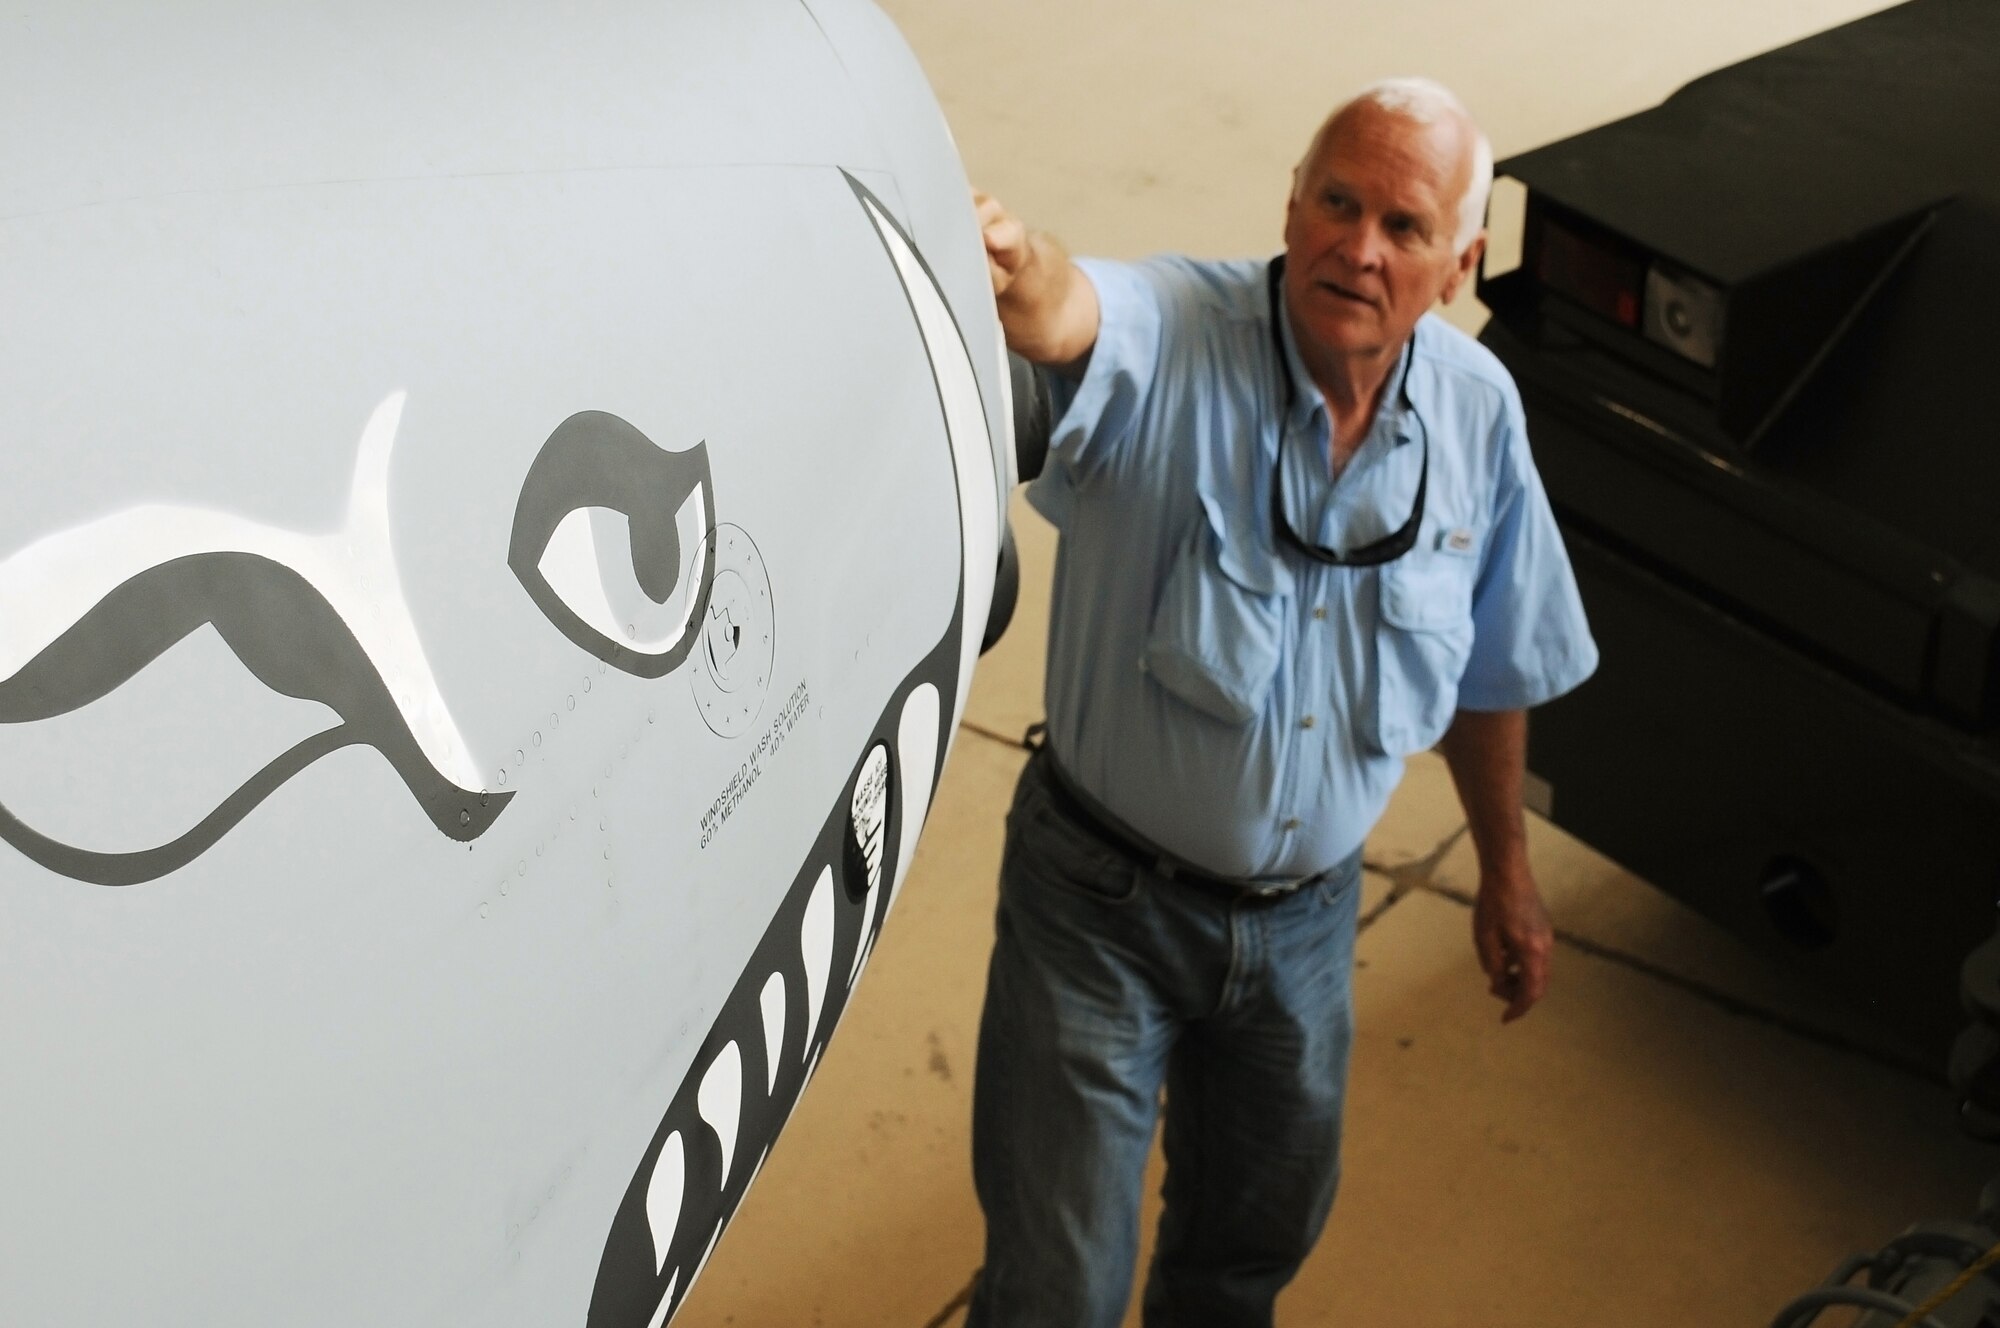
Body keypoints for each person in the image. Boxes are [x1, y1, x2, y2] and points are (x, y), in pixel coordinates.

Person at [966, 77, 1599, 1328]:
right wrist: (1013, 258)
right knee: (1059, 1293)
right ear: (1292, 204)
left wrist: (1506, 872)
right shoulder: (1172, 334)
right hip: (1098, 910)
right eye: (1335, 202)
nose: (1356, 247)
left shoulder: (1476, 415)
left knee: (1247, 1255)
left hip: (1304, 929)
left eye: (1401, 227)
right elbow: (1069, 313)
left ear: (1460, 265)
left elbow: (1487, 667)